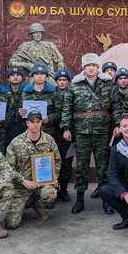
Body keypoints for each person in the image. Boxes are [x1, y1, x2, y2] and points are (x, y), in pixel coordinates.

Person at [60, 53, 122, 215]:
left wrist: (117, 124)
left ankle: (106, 200)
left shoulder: (107, 83)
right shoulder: (75, 85)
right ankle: (80, 200)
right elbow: (67, 108)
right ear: (83, 68)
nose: (91, 69)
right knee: (82, 166)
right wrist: (66, 128)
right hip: (81, 131)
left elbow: (115, 105)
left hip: (102, 130)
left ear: (97, 67)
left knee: (103, 166)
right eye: (88, 66)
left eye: (94, 65)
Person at [5, 110, 61, 229]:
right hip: (22, 185)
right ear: (27, 123)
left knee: (50, 194)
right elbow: (8, 168)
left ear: (41, 123)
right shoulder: (16, 142)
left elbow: (57, 161)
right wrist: (23, 181)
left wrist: (54, 177)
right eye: (32, 122)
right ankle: (20, 207)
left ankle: (38, 205)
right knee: (12, 224)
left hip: (42, 182)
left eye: (38, 121)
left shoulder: (49, 140)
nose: (35, 124)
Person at [18, 63, 60, 138]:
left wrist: (49, 119)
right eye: (36, 74)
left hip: (48, 132)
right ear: (33, 76)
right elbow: (18, 112)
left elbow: (59, 112)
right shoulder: (25, 92)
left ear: (46, 76)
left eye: (42, 74)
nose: (39, 76)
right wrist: (20, 112)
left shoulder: (53, 92)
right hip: (29, 132)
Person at [53, 68, 74, 203]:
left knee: (67, 163)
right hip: (53, 133)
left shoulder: (73, 94)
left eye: (64, 80)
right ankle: (53, 190)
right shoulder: (51, 94)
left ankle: (64, 189)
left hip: (69, 134)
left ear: (68, 82)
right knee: (53, 162)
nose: (62, 82)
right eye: (59, 80)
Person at [4, 66, 27, 148]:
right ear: (8, 78)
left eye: (18, 75)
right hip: (7, 128)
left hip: (23, 128)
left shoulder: (27, 91)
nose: (15, 77)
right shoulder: (3, 91)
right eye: (12, 75)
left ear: (22, 78)